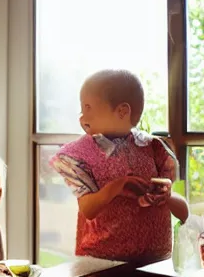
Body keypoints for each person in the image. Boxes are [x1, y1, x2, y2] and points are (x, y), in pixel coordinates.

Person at [50, 69, 189, 264]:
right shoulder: (81, 154)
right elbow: (88, 209)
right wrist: (117, 187)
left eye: (88, 108)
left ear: (122, 111)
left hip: (155, 262)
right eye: (82, 109)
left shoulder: (155, 148)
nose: (82, 117)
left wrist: (167, 196)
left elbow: (184, 211)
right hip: (100, 263)